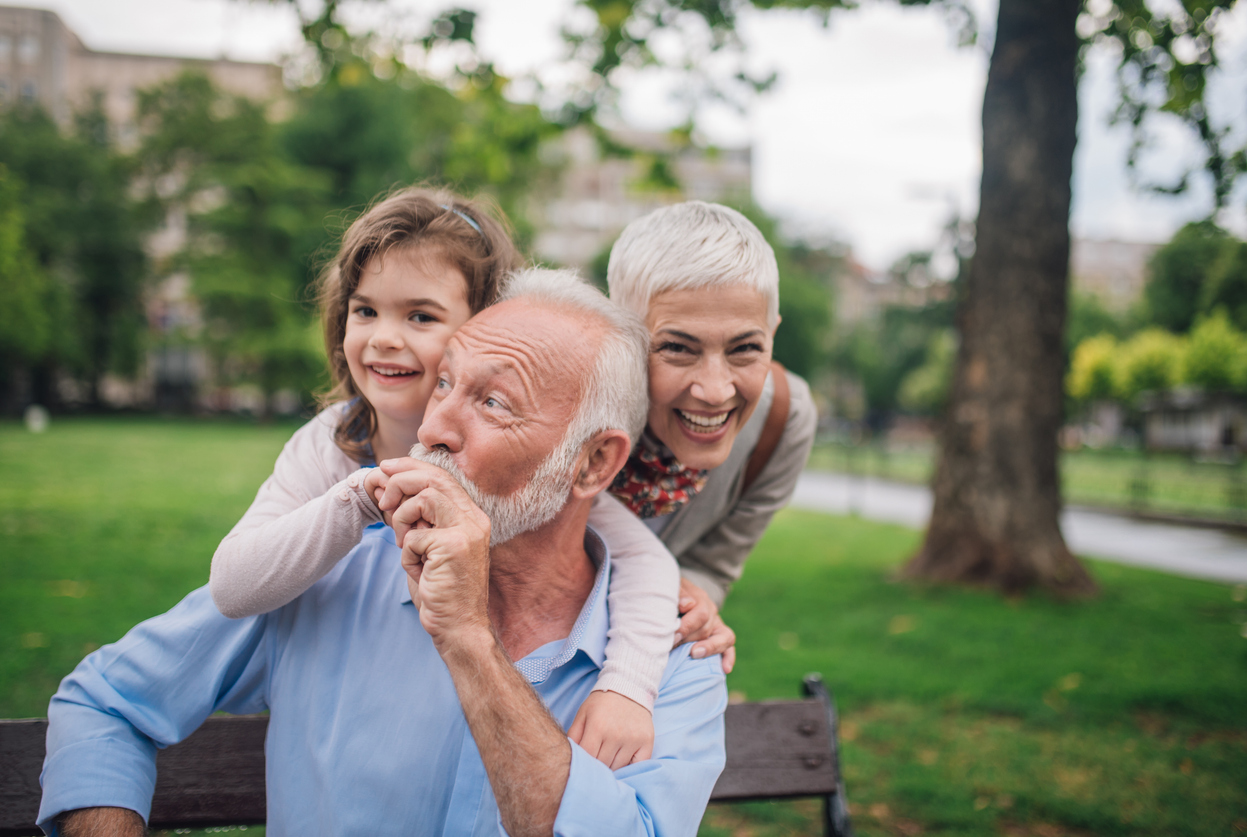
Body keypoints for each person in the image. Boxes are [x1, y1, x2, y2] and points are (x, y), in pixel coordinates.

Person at [38, 269, 728, 837]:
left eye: (492, 401)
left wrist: (467, 640)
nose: (433, 427)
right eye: (446, 383)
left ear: (592, 463)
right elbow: (108, 702)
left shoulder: (675, 661)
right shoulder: (325, 571)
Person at [207, 187, 680, 767]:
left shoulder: (531, 474)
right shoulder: (335, 441)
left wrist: (627, 686)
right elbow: (231, 587)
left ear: (484, 325)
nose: (383, 336)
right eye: (365, 310)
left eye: (420, 316)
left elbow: (644, 561)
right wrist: (359, 497)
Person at [605, 201, 820, 673]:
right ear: (620, 340)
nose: (715, 390)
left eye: (745, 348)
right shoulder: (562, 413)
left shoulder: (783, 421)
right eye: (678, 348)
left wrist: (692, 595)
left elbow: (715, 564)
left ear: (773, 335)